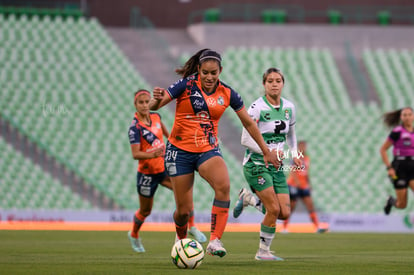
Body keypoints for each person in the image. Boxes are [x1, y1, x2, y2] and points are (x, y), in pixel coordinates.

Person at [149, 49, 280, 258]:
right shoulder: (186, 85)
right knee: (183, 211)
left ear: (220, 71)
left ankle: (215, 240)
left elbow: (248, 122)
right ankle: (181, 238)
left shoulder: (227, 93)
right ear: (198, 71)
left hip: (207, 150)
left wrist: (266, 151)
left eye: (214, 73)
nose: (209, 77)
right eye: (205, 73)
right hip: (179, 151)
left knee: (223, 185)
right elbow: (156, 105)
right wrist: (155, 100)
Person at [127, 89, 206, 253]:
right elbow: (135, 154)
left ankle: (192, 226)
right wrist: (152, 153)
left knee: (186, 193)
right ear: (135, 105)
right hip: (147, 174)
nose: (144, 105)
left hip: (163, 170)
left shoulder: (156, 117)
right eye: (140, 102)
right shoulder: (135, 128)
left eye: (146, 101)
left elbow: (168, 135)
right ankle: (134, 234)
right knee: (145, 210)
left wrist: (179, 142)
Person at [233, 67, 300, 261]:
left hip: (276, 166)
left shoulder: (289, 107)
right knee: (273, 209)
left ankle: (249, 199)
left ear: (283, 83)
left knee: (284, 212)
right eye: (270, 81)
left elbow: (291, 135)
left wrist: (294, 154)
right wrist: (266, 152)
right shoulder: (256, 108)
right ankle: (263, 252)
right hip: (256, 164)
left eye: (278, 80)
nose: (274, 84)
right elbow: (245, 139)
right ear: (264, 84)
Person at [282, 140, 327, 233]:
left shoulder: (307, 158)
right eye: (301, 146)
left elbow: (306, 173)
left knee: (310, 206)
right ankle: (285, 227)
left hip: (304, 186)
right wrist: (297, 182)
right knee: (291, 207)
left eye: (304, 146)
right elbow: (293, 171)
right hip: (294, 185)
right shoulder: (295, 158)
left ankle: (317, 226)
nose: (303, 148)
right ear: (298, 147)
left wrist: (309, 184)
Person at [380, 107, 414, 215]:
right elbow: (383, 149)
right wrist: (389, 168)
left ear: (413, 116)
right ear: (401, 117)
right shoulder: (397, 132)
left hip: (412, 165)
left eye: (409, 114)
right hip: (400, 168)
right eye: (405, 115)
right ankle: (391, 201)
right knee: (402, 205)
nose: (407, 117)